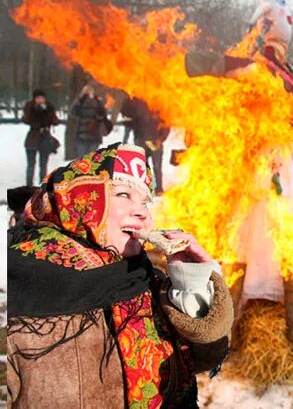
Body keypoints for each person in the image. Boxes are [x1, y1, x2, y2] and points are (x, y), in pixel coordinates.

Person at [7, 143, 233, 408]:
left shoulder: (146, 279)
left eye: (145, 201)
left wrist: (190, 283)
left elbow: (202, 358)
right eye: (123, 194)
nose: (142, 212)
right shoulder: (22, 279)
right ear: (80, 200)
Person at [120, 96, 171, 195]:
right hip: (141, 141)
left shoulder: (160, 109)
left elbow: (166, 125)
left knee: (157, 166)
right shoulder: (138, 107)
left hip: (154, 142)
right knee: (141, 166)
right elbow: (132, 121)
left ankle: (159, 189)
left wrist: (161, 139)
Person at [22, 89, 60, 185]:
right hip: (33, 137)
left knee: (43, 164)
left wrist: (47, 111)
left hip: (45, 137)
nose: (40, 100)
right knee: (31, 164)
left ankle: (43, 185)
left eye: (42, 98)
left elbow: (56, 121)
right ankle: (29, 185)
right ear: (34, 99)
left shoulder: (49, 107)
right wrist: (33, 108)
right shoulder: (30, 107)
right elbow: (26, 119)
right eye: (38, 98)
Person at [70, 84, 108, 155]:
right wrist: (80, 100)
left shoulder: (97, 101)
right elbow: (73, 112)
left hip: (94, 134)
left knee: (91, 158)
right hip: (81, 135)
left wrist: (99, 105)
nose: (88, 93)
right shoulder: (80, 101)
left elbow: (103, 114)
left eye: (90, 91)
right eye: (86, 92)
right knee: (82, 159)